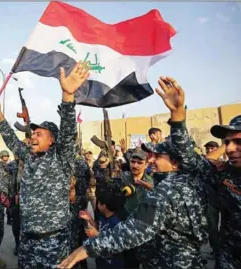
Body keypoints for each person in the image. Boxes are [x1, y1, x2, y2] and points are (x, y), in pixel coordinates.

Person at [58, 77, 209, 269]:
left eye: (157, 157)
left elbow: (134, 229)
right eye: (149, 156)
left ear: (176, 163)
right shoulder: (190, 181)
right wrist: (177, 115)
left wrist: (87, 249)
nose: (150, 161)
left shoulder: (168, 191)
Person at [0, 61, 89, 268]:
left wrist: (68, 96)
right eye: (32, 133)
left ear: (51, 140)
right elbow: (13, 142)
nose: (32, 137)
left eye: (39, 134)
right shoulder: (30, 156)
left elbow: (69, 131)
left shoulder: (61, 158)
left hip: (52, 240)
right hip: (27, 238)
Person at [158, 76, 241, 268]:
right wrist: (178, 115)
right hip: (230, 260)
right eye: (227, 142)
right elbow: (188, 159)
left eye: (238, 142)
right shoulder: (222, 173)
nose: (229, 148)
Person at [80, 186, 126, 268]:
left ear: (104, 206)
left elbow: (115, 245)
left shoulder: (117, 223)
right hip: (101, 261)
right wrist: (90, 219)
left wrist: (96, 234)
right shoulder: (103, 216)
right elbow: (100, 227)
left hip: (112, 264)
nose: (97, 204)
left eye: (98, 203)